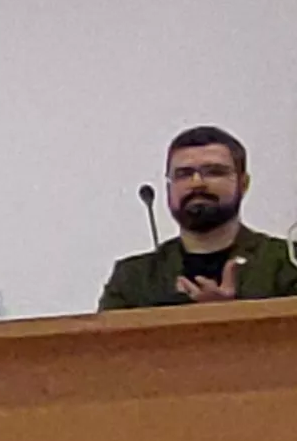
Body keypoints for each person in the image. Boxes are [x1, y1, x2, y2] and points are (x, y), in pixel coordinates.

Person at [99, 127, 297, 308]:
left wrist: (233, 315)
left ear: (243, 183)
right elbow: (102, 345)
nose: (197, 183)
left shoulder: (287, 262)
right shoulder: (134, 277)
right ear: (169, 188)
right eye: (184, 174)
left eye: (214, 172)